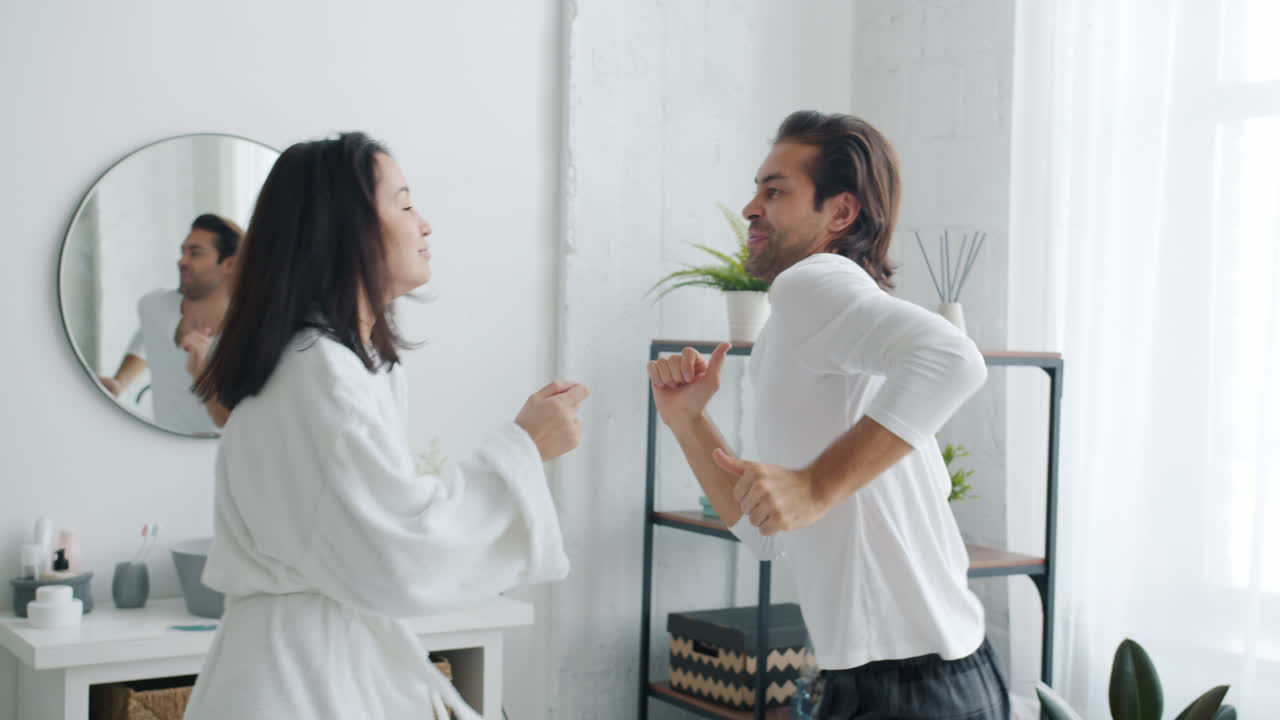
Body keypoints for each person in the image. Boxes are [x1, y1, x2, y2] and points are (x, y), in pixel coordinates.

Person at [183, 132, 587, 720]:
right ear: (344, 228)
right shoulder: (317, 370)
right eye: (404, 204)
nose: (425, 224)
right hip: (298, 679)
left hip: (313, 661)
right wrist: (525, 445)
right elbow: (398, 548)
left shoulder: (344, 364)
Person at [647, 111, 1009, 718]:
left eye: (775, 191)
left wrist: (816, 485)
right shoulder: (805, 322)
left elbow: (954, 358)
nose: (751, 208)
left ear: (840, 212)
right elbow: (764, 532)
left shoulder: (810, 284)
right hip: (908, 680)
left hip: (907, 688)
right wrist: (688, 420)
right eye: (757, 190)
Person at [98, 213, 241, 434]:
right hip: (162, 447)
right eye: (183, 252)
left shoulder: (248, 333)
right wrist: (120, 382)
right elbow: (146, 339)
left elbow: (240, 421)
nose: (181, 261)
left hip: (220, 450)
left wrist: (202, 372)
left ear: (229, 264)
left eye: (195, 253)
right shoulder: (154, 306)